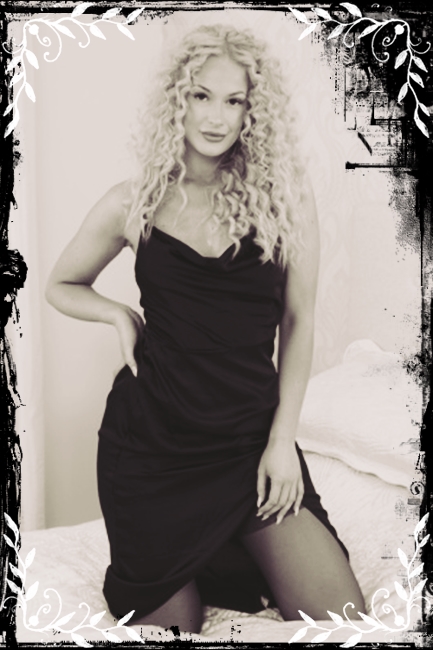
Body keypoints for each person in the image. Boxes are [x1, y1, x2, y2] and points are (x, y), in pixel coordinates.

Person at [46, 23, 365, 634]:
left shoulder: (284, 199)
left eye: (234, 100)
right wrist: (117, 313)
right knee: (175, 631)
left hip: (248, 442)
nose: (216, 116)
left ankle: (233, 546)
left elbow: (298, 320)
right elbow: (61, 283)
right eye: (201, 95)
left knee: (342, 621)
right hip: (151, 448)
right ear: (178, 99)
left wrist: (281, 442)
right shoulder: (134, 201)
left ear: (253, 111)